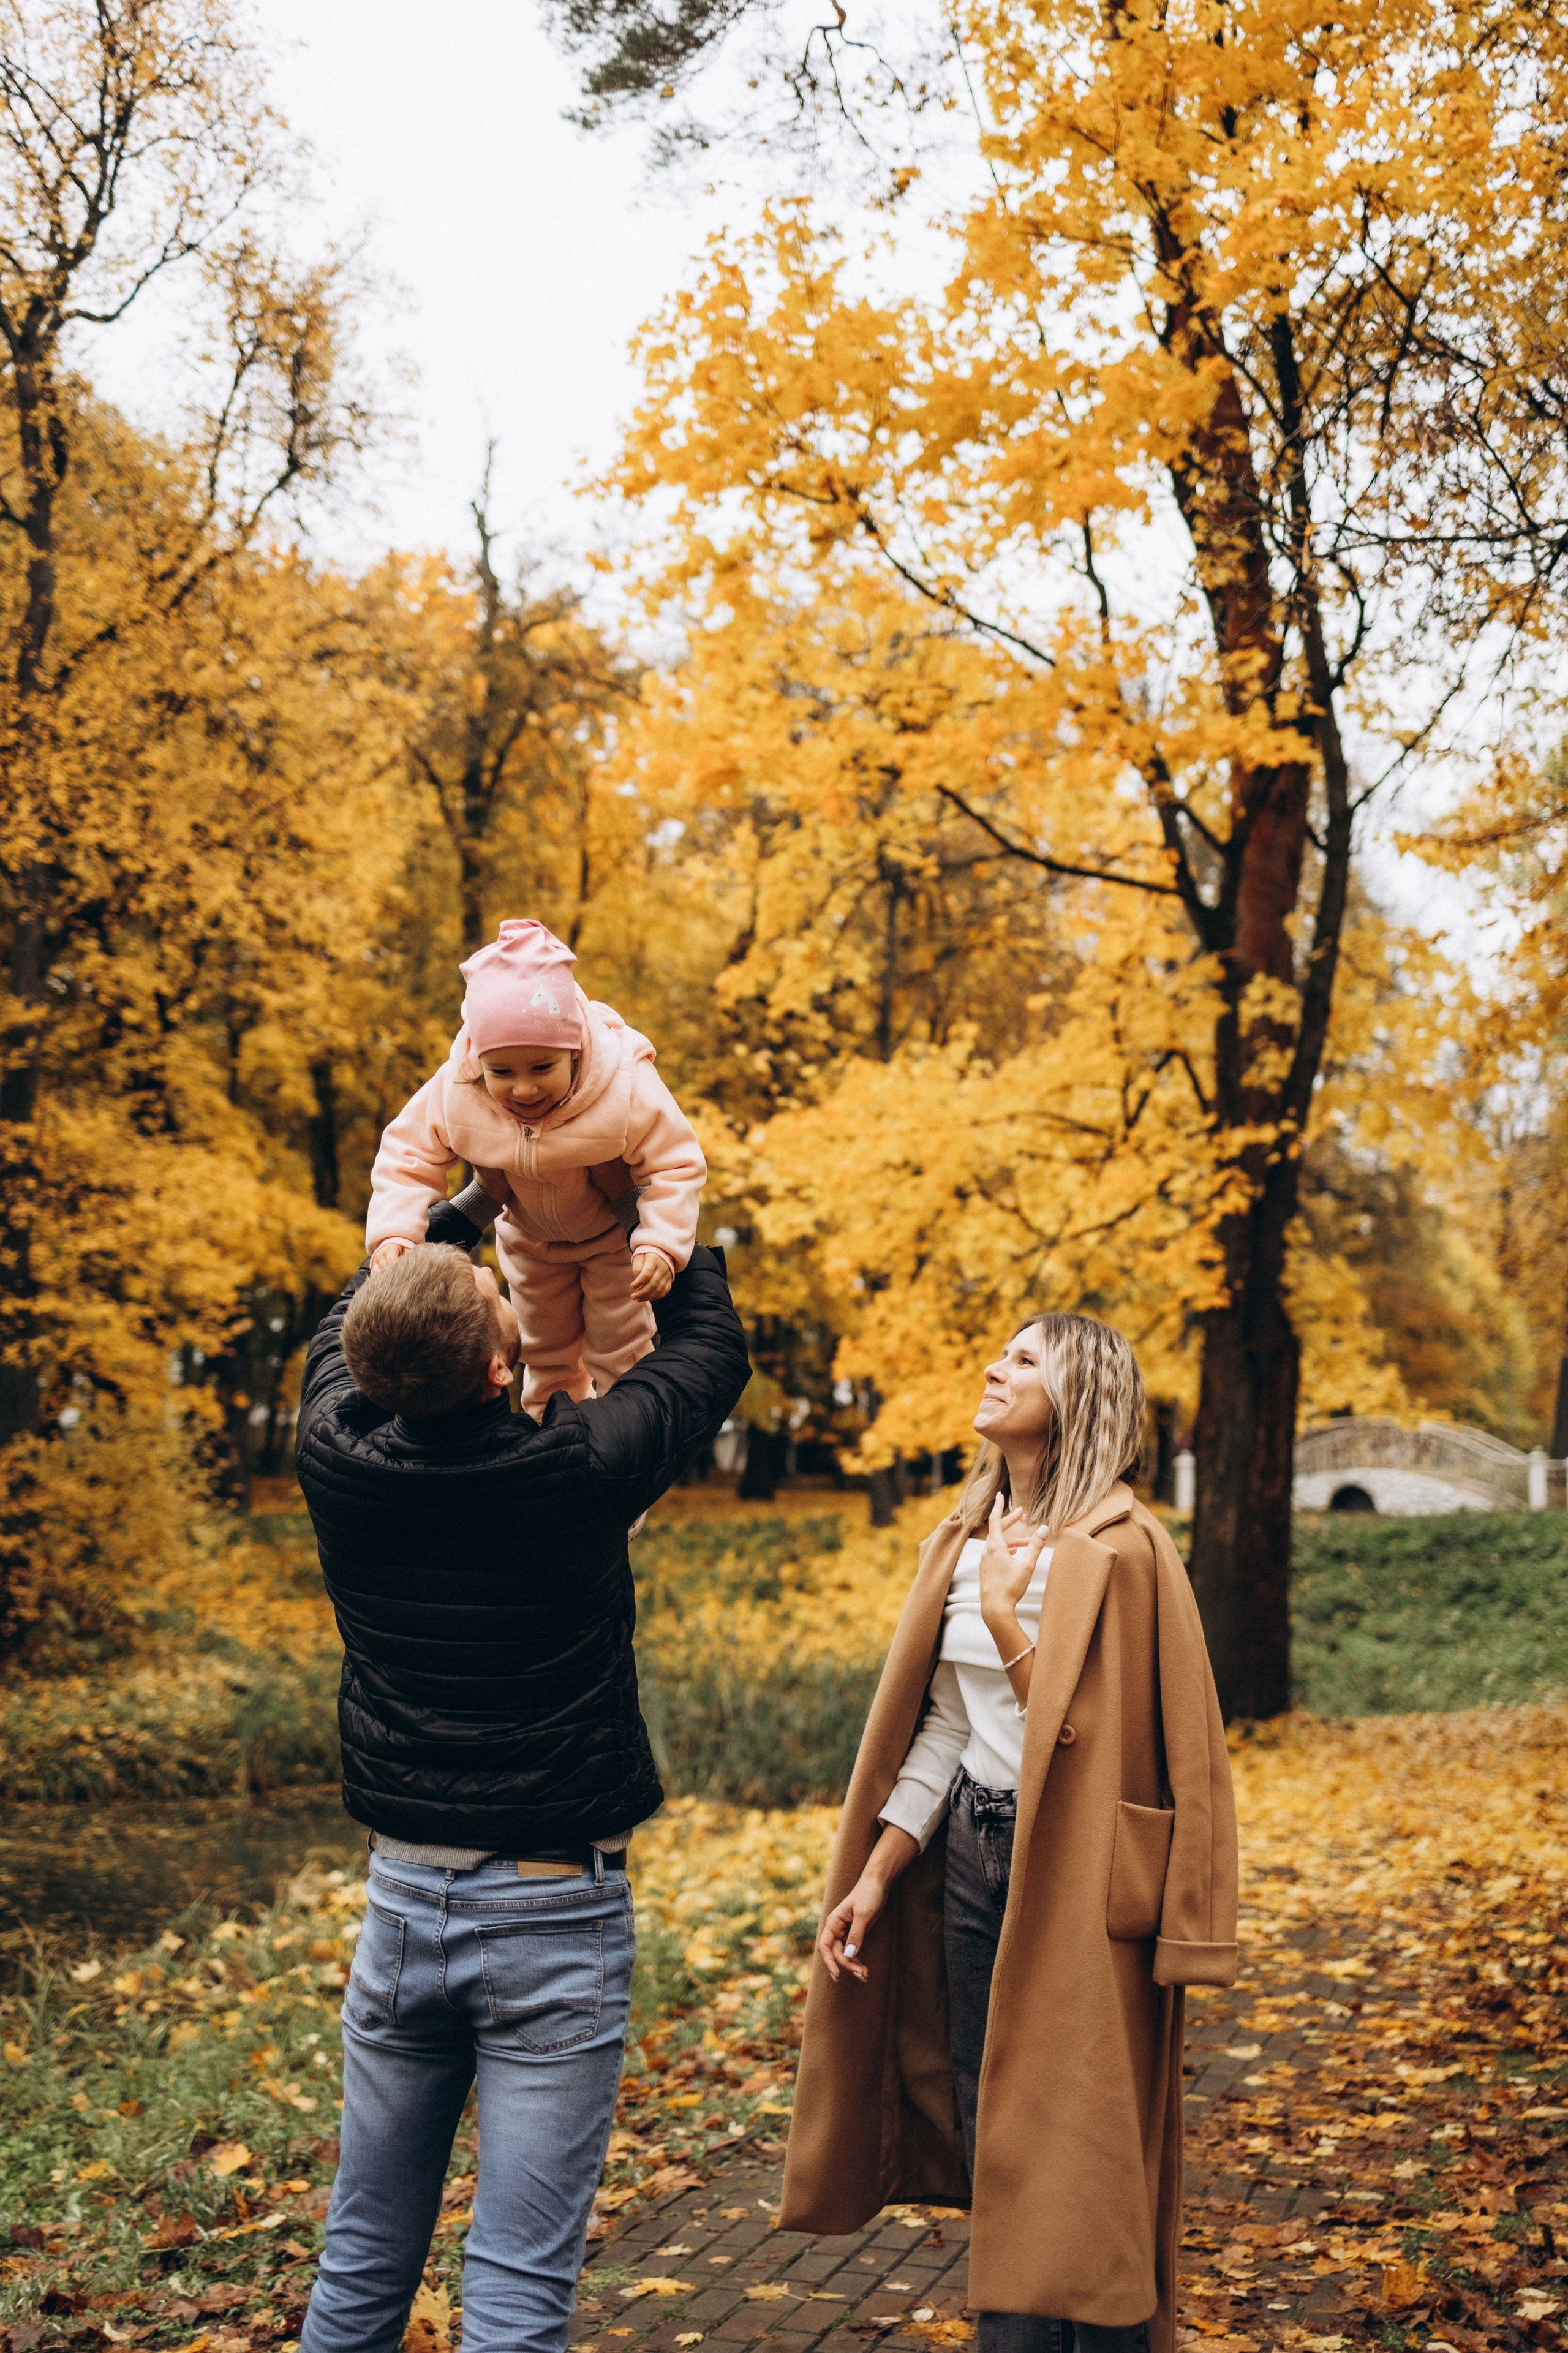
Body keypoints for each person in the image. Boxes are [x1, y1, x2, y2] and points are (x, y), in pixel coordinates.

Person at [292, 1236, 749, 2353]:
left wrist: (442, 1205)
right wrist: (663, 1224)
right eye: (500, 1301)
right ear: (503, 1370)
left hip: (403, 1901)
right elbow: (709, 1356)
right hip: (553, 1913)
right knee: (516, 2278)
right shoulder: (575, 1469)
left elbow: (338, 1331)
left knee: (362, 2250)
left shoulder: (334, 1452)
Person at [780, 1313, 1238, 2353]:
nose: (995, 1365)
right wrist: (878, 1872)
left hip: (1081, 1882)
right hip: (977, 1862)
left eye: (1027, 1359)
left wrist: (1007, 1625)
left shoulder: (1126, 1550)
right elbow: (943, 1728)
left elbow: (1095, 1749)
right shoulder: (966, 1532)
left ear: (1078, 1400)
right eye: (1002, 1350)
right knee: (998, 2132)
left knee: (1084, 2144)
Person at [366, 918, 707, 1415]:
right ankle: (546, 1450)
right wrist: (396, 1234)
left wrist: (660, 1242)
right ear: (477, 1058)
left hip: (615, 1244)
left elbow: (675, 1162)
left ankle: (622, 1458)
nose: (523, 1089)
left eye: (542, 1068)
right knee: (544, 1354)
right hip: (530, 1244)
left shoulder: (622, 1083)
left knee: (622, 1352)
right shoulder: (458, 1090)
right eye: (501, 1072)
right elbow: (406, 1153)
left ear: (574, 1051)